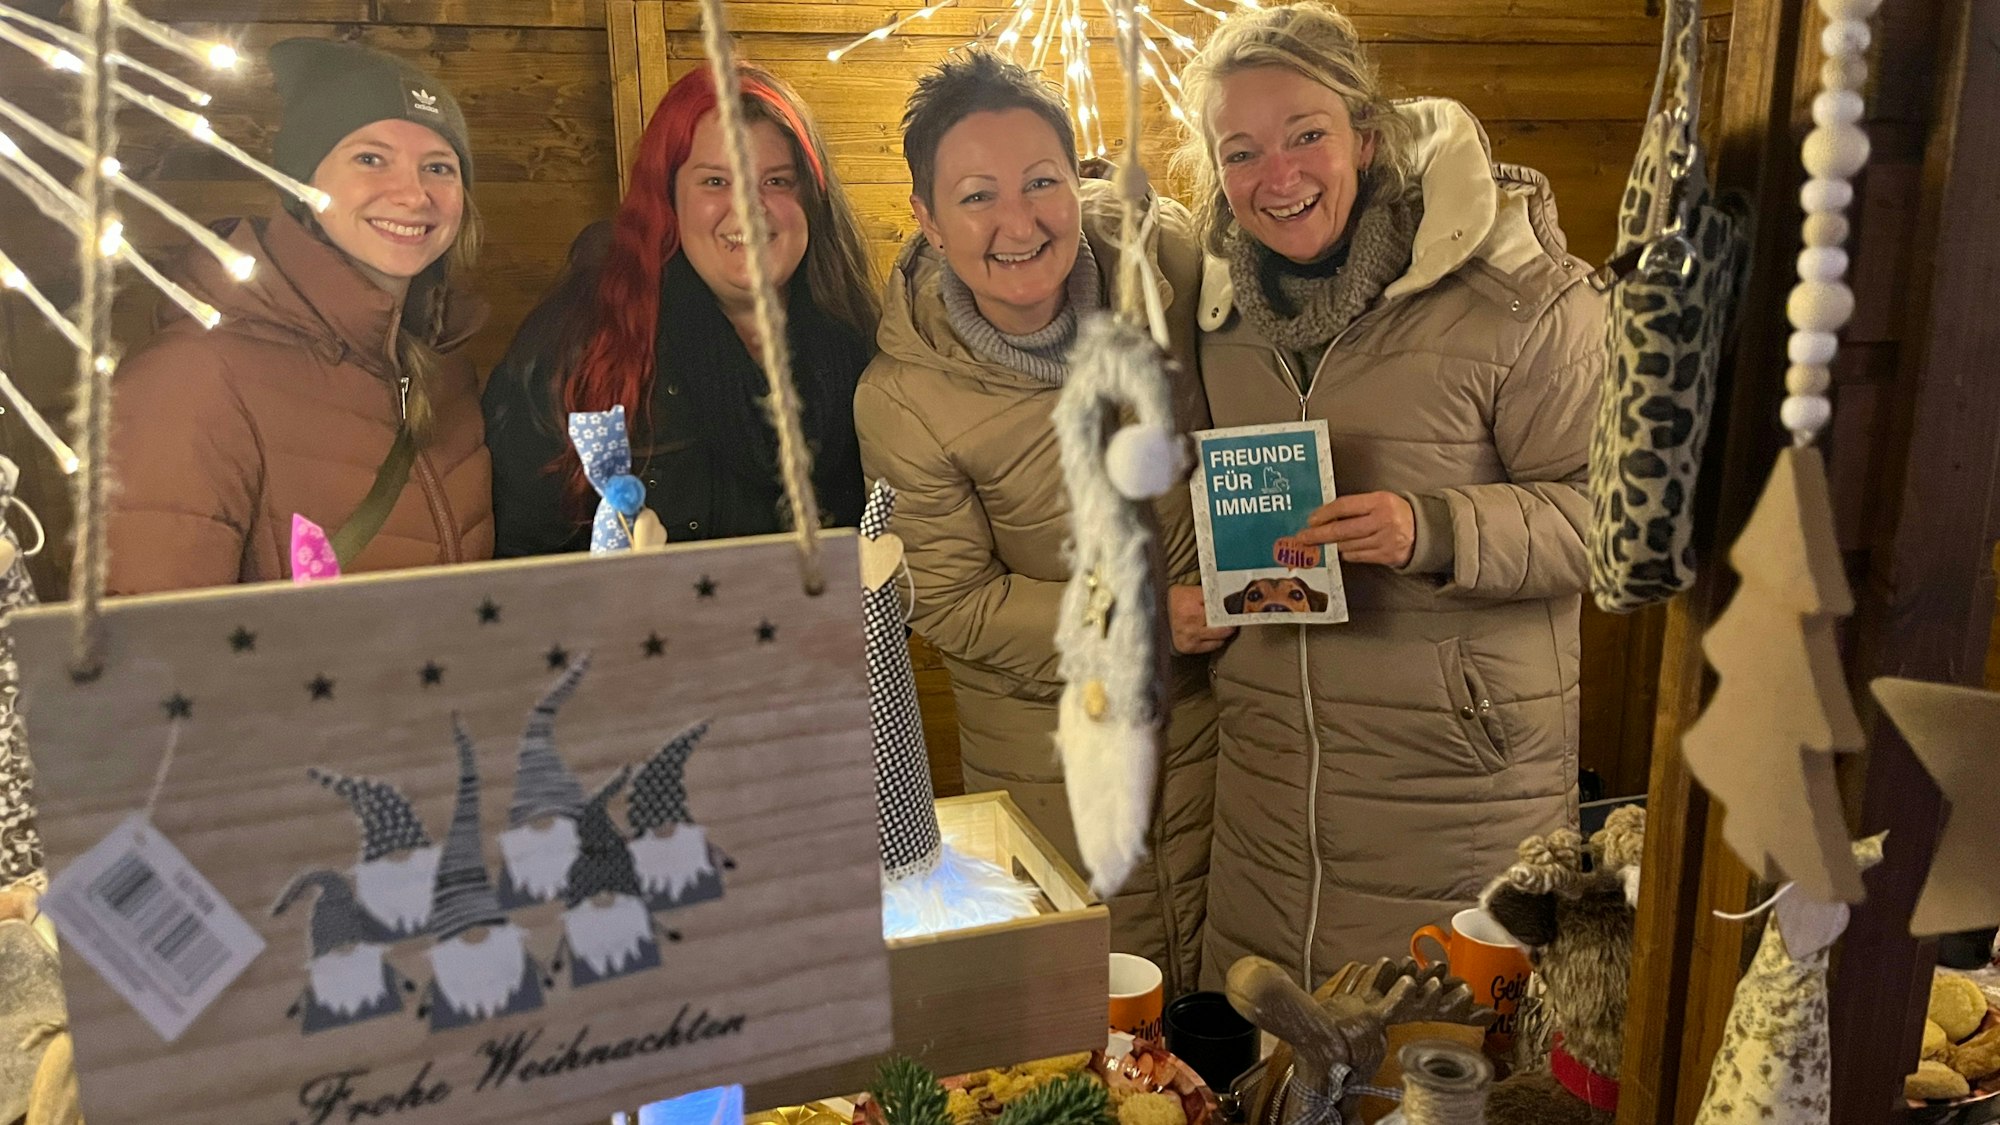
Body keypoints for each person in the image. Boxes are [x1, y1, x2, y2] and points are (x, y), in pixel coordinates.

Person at [1177, 1, 1605, 985]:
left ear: (1365, 139)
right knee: (1269, 1060)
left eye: (1305, 135)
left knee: (1433, 1064)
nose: (1274, 177)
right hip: (1270, 783)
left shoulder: (1520, 298)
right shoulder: (1217, 319)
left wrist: (1436, 527)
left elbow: (1611, 524)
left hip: (1455, 786)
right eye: (1238, 152)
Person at [854, 51, 1225, 996]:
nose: (1018, 223)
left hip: (1229, 735)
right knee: (1094, 1021)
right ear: (930, 222)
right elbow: (954, 602)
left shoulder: (1165, 267)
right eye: (977, 196)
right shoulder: (904, 398)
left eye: (1039, 183)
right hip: (1055, 762)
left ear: (1075, 176)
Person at [107, 38, 488, 593]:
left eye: (439, 167)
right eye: (370, 158)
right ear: (303, 185)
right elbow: (157, 654)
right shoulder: (193, 378)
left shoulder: (444, 368)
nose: (413, 194)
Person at [484, 66, 876, 554]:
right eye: (715, 181)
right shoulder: (580, 347)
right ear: (668, 198)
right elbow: (527, 559)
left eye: (776, 181)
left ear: (812, 199)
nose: (749, 209)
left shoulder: (862, 344)